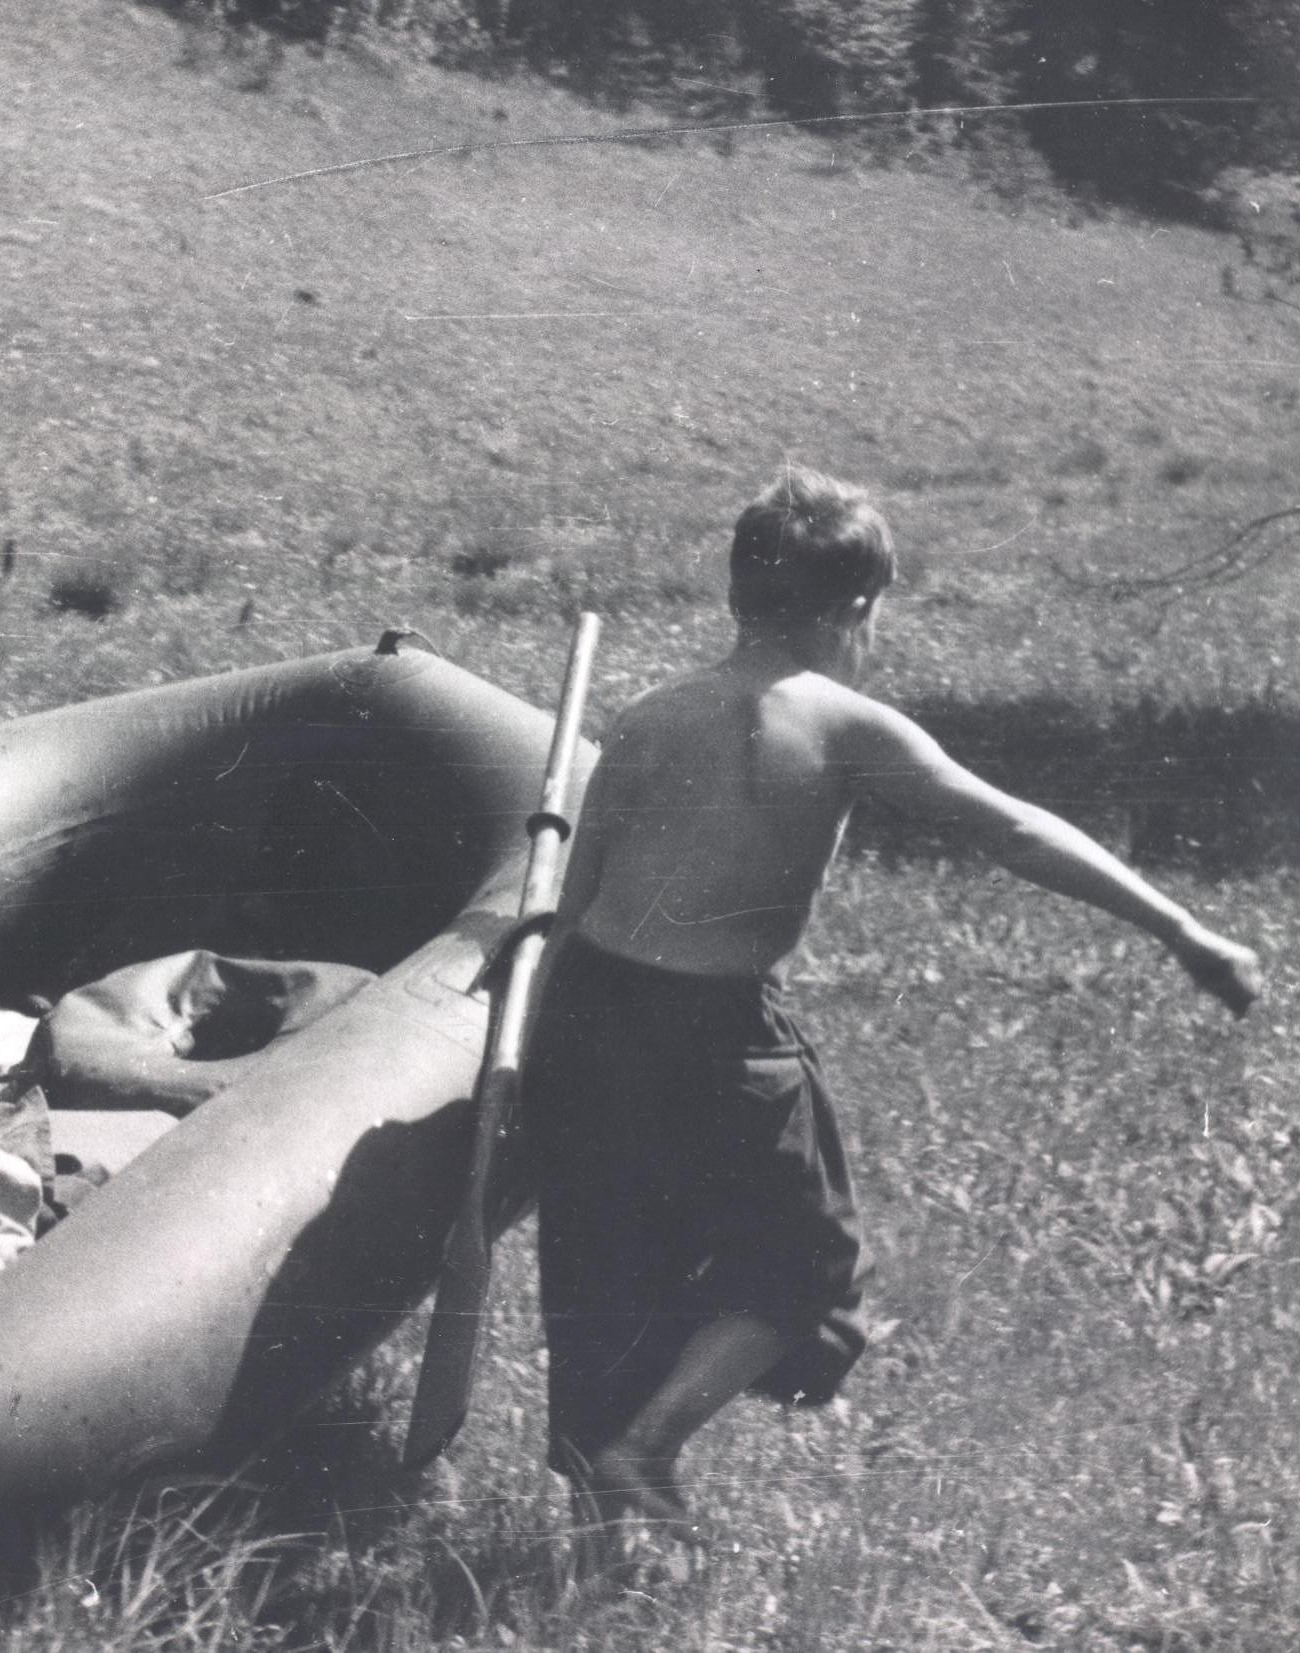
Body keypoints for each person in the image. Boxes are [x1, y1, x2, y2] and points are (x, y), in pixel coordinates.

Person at [518, 466, 1260, 1571]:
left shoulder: (649, 715)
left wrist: (535, 1043)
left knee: (609, 1274)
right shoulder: (844, 722)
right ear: (850, 611)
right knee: (807, 1274)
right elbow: (1013, 830)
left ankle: (593, 1553)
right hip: (715, 1035)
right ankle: (646, 1448)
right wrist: (1182, 930)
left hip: (589, 1015)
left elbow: (575, 898)